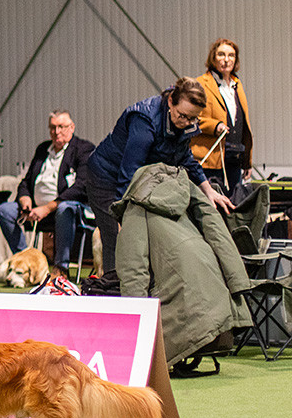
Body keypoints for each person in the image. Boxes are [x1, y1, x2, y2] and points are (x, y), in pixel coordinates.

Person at [86, 77, 234, 273]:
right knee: (118, 239)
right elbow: (129, 173)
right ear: (171, 101)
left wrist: (208, 190)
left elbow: (186, 158)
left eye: (193, 118)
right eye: (183, 116)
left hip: (137, 179)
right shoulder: (144, 120)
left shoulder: (184, 123)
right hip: (105, 177)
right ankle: (113, 285)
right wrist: (122, 217)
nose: (187, 123)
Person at [0, 110, 94, 276]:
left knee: (65, 209)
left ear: (72, 127)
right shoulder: (43, 149)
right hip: (35, 208)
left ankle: (61, 267)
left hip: (67, 209)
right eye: (53, 127)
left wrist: (48, 208)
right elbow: (26, 181)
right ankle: (25, 257)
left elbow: (81, 187)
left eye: (61, 127)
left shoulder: (83, 149)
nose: (57, 132)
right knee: (4, 210)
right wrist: (24, 198)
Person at [190, 38, 254, 197]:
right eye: (221, 55)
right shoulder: (200, 84)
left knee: (233, 204)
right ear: (213, 57)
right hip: (210, 161)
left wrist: (247, 162)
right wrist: (214, 126)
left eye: (231, 55)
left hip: (234, 158)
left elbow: (242, 124)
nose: (226, 59)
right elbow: (189, 118)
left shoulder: (236, 85)